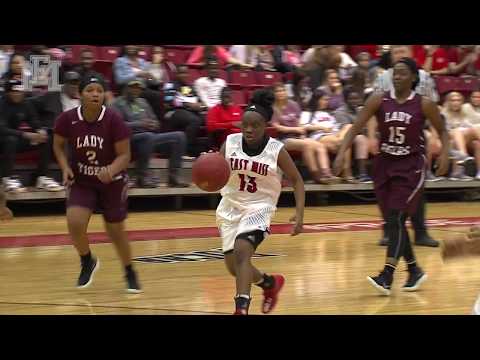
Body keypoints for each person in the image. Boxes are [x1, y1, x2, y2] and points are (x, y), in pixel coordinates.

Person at [333, 58, 449, 295]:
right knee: (393, 222)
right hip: (384, 165)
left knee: (396, 217)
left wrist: (445, 155)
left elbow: (443, 130)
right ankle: (414, 270)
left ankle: (387, 275)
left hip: (411, 167)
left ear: (414, 78)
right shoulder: (379, 98)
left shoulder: (424, 104)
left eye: (402, 73)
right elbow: (355, 127)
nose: (397, 77)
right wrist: (341, 152)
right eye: (394, 73)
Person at [216, 89, 305, 315]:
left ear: (265, 125)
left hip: (260, 207)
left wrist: (300, 215)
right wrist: (206, 170)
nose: (248, 129)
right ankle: (270, 284)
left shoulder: (276, 150)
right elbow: (216, 173)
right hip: (230, 205)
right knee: (234, 267)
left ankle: (241, 308)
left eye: (255, 125)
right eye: (245, 124)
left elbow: (297, 180)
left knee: (242, 252)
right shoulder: (230, 143)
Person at [53, 75, 141, 293]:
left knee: (115, 231)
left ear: (104, 95)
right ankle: (87, 261)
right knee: (74, 223)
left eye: (99, 91)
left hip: (112, 182)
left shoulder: (113, 120)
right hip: (83, 180)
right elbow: (58, 146)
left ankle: (129, 271)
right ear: (80, 94)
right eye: (90, 90)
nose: (95, 94)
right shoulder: (67, 118)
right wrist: (65, 167)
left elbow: (125, 156)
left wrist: (110, 170)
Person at [373, 46, 440, 247]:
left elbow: (434, 108)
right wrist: (370, 136)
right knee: (388, 189)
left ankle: (421, 232)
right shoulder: (383, 77)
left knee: (417, 187)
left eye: (403, 51)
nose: (400, 55)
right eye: (396, 52)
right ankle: (389, 230)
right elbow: (372, 108)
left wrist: (435, 136)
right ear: (390, 57)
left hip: (417, 134)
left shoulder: (424, 78)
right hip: (389, 134)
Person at [112, 78, 188, 188]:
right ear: (126, 88)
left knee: (179, 136)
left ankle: (173, 177)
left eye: (138, 88)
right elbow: (118, 127)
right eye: (133, 87)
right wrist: (140, 124)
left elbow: (155, 120)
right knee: (147, 137)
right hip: (129, 141)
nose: (135, 91)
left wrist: (154, 124)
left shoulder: (143, 102)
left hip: (149, 137)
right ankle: (142, 177)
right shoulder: (117, 103)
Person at [0, 79, 63, 193]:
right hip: (3, 141)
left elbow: (34, 120)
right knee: (10, 139)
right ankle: (6, 178)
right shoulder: (2, 104)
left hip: (16, 140)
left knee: (46, 138)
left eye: (20, 92)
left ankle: (42, 177)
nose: (17, 94)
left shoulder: (26, 103)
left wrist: (40, 131)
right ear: (8, 93)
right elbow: (2, 129)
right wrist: (25, 134)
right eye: (14, 92)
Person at [271, 83, 340, 184]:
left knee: (319, 145)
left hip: (298, 137)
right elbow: (276, 127)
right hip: (284, 139)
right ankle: (316, 176)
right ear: (274, 94)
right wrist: (295, 130)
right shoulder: (273, 108)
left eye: (282, 90)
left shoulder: (293, 105)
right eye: (277, 91)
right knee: (307, 145)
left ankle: (327, 174)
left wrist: (302, 133)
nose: (281, 93)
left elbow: (300, 123)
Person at [164, 64, 206, 157]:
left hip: (189, 111)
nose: (184, 75)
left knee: (209, 119)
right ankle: (182, 151)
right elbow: (169, 102)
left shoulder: (188, 87)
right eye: (181, 73)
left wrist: (200, 106)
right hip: (174, 112)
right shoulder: (170, 85)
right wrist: (188, 105)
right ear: (176, 74)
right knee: (194, 120)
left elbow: (199, 101)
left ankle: (207, 150)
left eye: (186, 73)